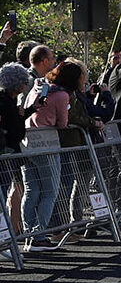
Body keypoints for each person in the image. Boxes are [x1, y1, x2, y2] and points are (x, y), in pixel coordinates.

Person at [21, 58, 72, 250]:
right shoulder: (61, 95)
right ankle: (39, 236)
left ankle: (30, 235)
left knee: (31, 190)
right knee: (50, 192)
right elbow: (63, 123)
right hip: (47, 145)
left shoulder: (37, 86)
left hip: (27, 143)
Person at [0, 62, 32, 239]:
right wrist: (21, 116)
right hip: (6, 152)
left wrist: (29, 111)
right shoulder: (5, 102)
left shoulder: (9, 100)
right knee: (4, 192)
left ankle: (8, 234)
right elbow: (15, 129)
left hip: (10, 151)